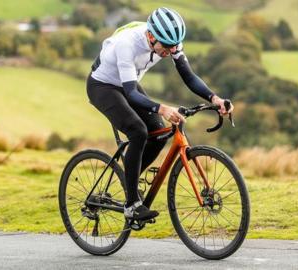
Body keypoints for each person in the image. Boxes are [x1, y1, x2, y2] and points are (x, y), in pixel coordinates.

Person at [86, 7, 233, 221]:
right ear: (151, 36)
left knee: (157, 132)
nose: (169, 51)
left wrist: (215, 99)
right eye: (165, 46)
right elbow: (131, 93)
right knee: (138, 131)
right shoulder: (127, 44)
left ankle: (129, 181)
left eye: (174, 47)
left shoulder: (170, 43)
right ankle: (131, 204)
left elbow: (189, 77)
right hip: (103, 86)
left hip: (129, 84)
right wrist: (162, 108)